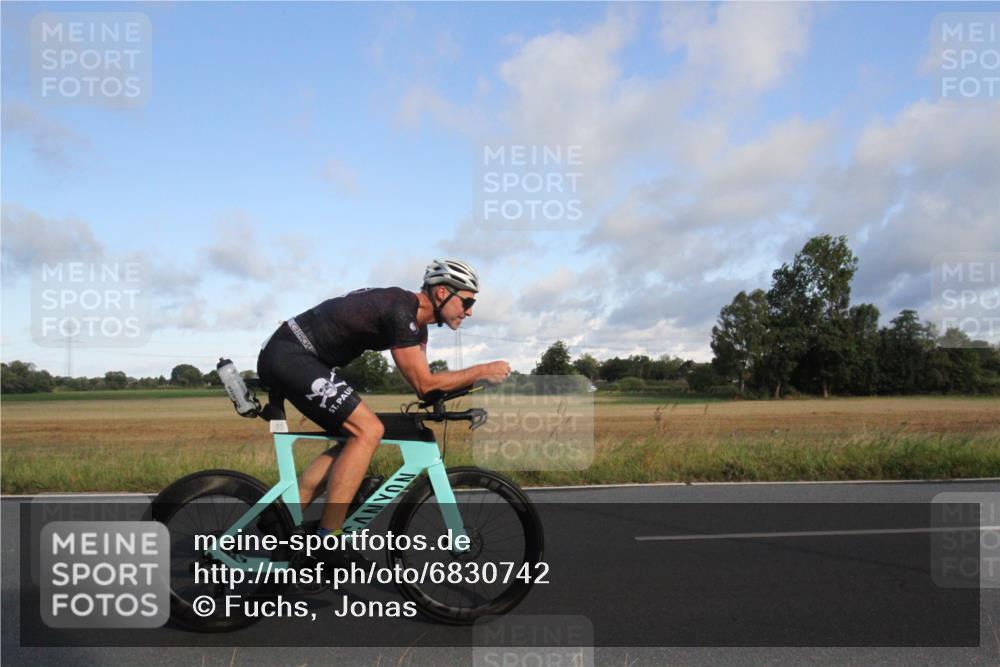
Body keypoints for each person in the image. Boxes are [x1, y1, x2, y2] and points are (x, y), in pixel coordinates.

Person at [256, 259, 511, 562]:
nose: (469, 311)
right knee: (368, 430)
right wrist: (481, 370)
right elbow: (425, 383)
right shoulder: (400, 311)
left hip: (299, 357)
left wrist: (467, 391)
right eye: (467, 301)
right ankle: (328, 540)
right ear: (442, 292)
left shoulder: (417, 329)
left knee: (354, 437)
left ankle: (282, 516)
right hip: (291, 353)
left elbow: (425, 390)